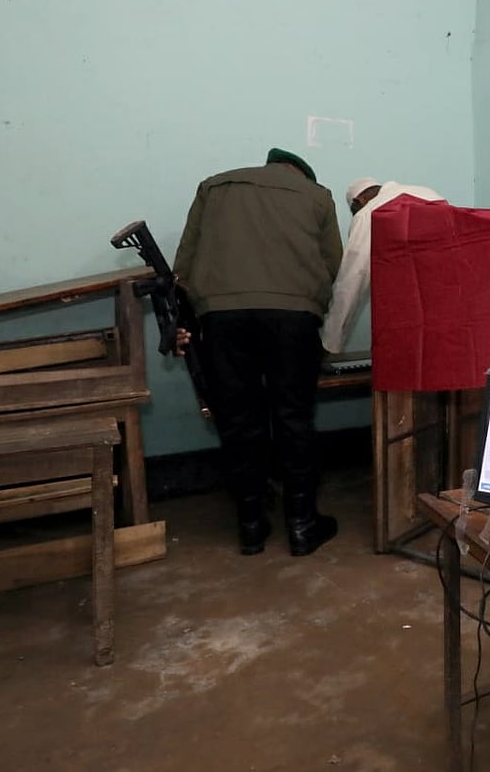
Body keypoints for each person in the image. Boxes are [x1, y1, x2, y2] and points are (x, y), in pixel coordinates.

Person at [173, 148, 343, 556]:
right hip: (292, 318)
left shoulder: (214, 186)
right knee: (293, 417)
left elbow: (185, 263)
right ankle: (302, 527)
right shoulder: (316, 195)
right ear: (299, 173)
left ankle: (251, 527)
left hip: (222, 316)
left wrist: (194, 318)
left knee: (238, 420)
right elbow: (332, 263)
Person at [320, 177, 444, 354]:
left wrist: (330, 341)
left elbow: (353, 279)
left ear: (359, 201)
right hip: (449, 309)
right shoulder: (431, 195)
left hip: (409, 318)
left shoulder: (370, 212)